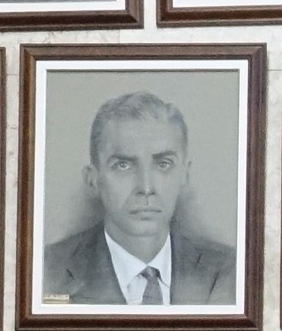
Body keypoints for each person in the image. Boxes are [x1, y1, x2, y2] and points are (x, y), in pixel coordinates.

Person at [41, 90, 241, 306]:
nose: (146, 188)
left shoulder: (229, 270)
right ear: (93, 179)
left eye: (163, 164)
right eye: (123, 165)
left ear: (185, 175)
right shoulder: (48, 269)